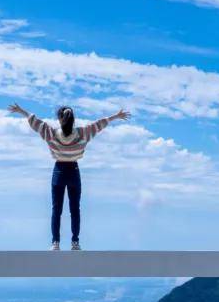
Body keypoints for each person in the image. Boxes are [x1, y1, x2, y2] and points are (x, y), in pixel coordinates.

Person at [8, 103, 130, 250]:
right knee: (75, 210)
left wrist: (21, 110)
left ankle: (55, 243)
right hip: (73, 169)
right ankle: (75, 243)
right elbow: (99, 124)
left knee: (56, 210)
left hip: (59, 170)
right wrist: (116, 116)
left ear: (60, 119)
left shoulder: (51, 133)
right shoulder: (83, 133)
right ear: (73, 119)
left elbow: (35, 122)